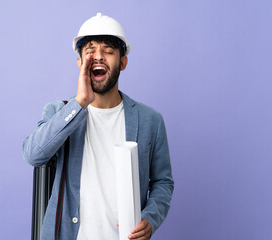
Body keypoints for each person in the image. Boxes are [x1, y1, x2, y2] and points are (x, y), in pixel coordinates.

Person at [22, 13, 174, 240]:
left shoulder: (151, 119)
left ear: (122, 62)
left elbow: (163, 182)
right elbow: (33, 154)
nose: (98, 57)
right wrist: (79, 103)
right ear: (80, 62)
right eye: (90, 50)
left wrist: (150, 218)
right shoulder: (59, 112)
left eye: (108, 51)